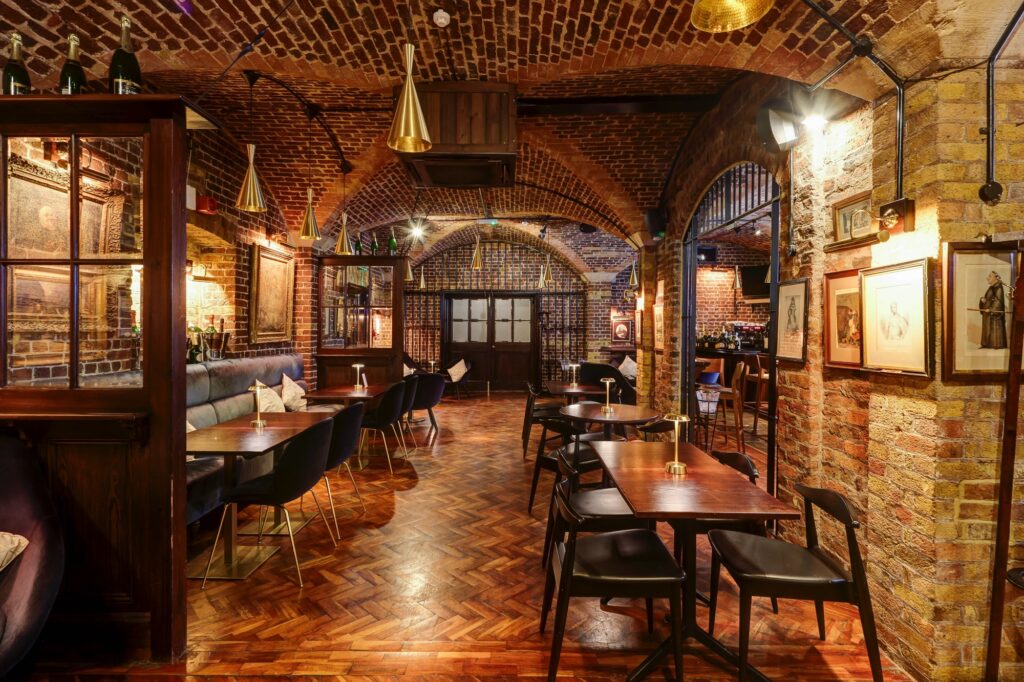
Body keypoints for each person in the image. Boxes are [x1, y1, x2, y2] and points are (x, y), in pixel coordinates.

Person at [979, 271, 1008, 349]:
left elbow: (998, 301)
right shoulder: (991, 287)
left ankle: (996, 345)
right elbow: (989, 299)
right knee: (987, 328)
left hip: (994, 315)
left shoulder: (998, 287)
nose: (987, 278)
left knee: (994, 329)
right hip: (988, 313)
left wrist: (991, 309)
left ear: (995, 278)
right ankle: (987, 344)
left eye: (990, 276)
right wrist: (983, 300)